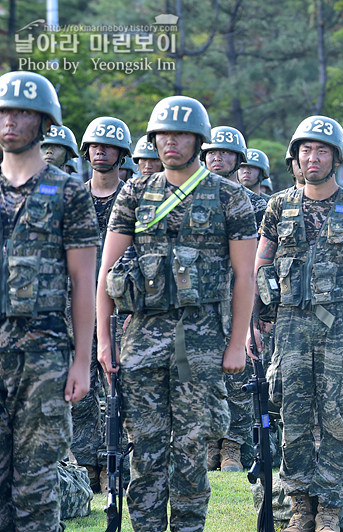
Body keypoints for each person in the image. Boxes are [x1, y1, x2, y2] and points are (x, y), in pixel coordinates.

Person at [96, 95, 257, 531]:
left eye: (182, 134)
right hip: (140, 339)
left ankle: (188, 527)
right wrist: (104, 343)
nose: (171, 142)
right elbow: (108, 271)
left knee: (190, 448)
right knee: (144, 446)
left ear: (198, 139)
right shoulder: (134, 192)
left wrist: (236, 342)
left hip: (200, 343)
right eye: (164, 134)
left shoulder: (230, 197)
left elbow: (245, 276)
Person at [254, 115, 343, 532]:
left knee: (335, 416)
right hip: (288, 326)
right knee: (293, 413)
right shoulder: (278, 205)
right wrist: (258, 320)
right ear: (294, 157)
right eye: (306, 149)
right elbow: (262, 263)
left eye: (322, 150)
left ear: (336, 158)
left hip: (338, 326)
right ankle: (300, 505)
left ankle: (330, 508)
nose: (313, 157)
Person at [0, 71, 99, 532]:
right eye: (4, 111)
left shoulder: (69, 191)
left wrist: (82, 361)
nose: (10, 122)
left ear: (44, 123)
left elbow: (83, 280)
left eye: (22, 112)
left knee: (36, 485)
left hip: (44, 353)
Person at [200, 125, 266, 473]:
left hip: (241, 300)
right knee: (205, 374)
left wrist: (262, 311)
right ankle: (210, 443)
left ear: (238, 159)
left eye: (225, 152)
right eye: (211, 151)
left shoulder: (259, 206)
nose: (217, 157)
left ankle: (234, 447)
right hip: (202, 302)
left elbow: (267, 262)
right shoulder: (192, 198)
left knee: (240, 378)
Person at [72, 116, 132, 490]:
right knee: (81, 392)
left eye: (108, 146)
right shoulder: (74, 197)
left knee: (121, 389)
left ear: (121, 153)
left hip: (121, 308)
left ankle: (119, 466)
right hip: (76, 307)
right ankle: (86, 465)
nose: (100, 150)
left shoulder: (134, 199)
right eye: (94, 145)